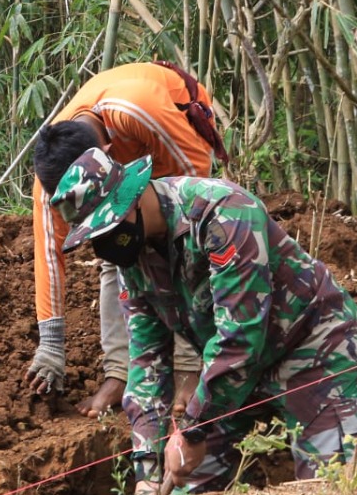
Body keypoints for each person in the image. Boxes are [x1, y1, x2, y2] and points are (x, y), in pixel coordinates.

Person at [49, 146, 357, 495]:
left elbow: (239, 338)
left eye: (108, 228)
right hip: (233, 372)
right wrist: (148, 471)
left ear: (133, 200)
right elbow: (147, 359)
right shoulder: (132, 261)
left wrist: (191, 430)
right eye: (95, 237)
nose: (105, 245)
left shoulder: (222, 212)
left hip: (314, 346)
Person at [27, 61, 227, 417]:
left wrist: (164, 225)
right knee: (114, 251)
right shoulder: (50, 179)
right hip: (130, 143)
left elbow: (198, 187)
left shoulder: (137, 110)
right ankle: (119, 372)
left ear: (106, 150)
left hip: (173, 132)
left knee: (175, 242)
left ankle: (188, 363)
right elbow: (48, 253)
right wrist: (51, 344)